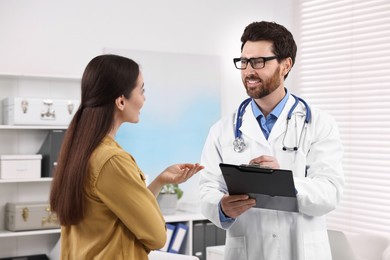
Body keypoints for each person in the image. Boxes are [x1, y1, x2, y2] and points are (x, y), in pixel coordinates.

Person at [199, 21, 344, 260]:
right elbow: (207, 189)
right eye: (244, 62)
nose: (248, 71)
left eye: (259, 62)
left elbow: (330, 192)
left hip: (301, 252)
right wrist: (222, 207)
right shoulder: (222, 130)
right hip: (248, 252)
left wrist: (283, 182)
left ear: (286, 65)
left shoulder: (319, 124)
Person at [50, 54, 203, 260]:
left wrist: (159, 181)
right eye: (142, 90)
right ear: (121, 101)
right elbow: (157, 237)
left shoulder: (80, 150)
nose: (144, 98)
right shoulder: (112, 160)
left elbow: (118, 212)